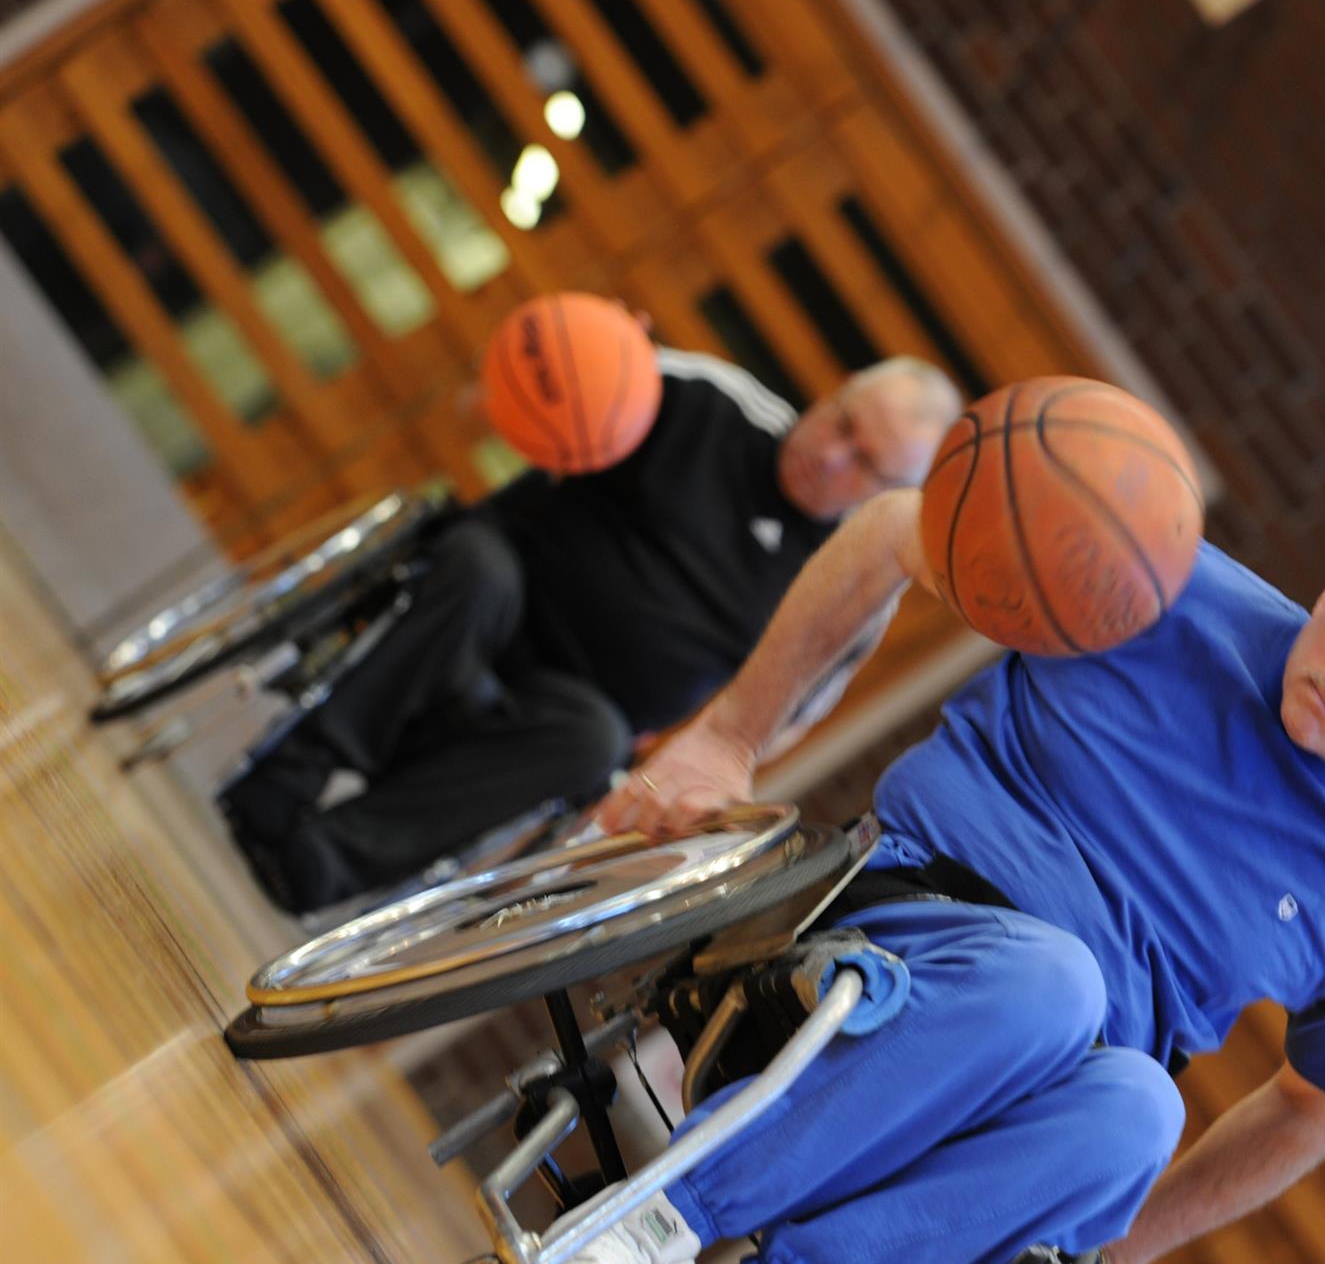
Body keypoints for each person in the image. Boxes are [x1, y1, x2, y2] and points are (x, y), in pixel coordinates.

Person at [545, 488, 1325, 1264]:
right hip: (888, 932)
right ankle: (656, 1229)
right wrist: (727, 736)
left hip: (1035, 1100)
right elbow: (900, 524)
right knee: (1055, 984)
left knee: (1144, 1116)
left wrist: (1113, 1256)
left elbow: (1318, 1109)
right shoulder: (1156, 582)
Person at [221, 349, 963, 914]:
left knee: (593, 741)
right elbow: (527, 392)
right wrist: (553, 368)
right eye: (841, 419)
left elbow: (782, 722)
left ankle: (317, 863)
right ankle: (285, 776)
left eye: (866, 463)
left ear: (892, 494)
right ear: (832, 393)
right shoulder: (703, 398)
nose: (832, 453)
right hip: (495, 590)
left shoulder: (847, 585)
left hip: (569, 701)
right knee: (479, 569)